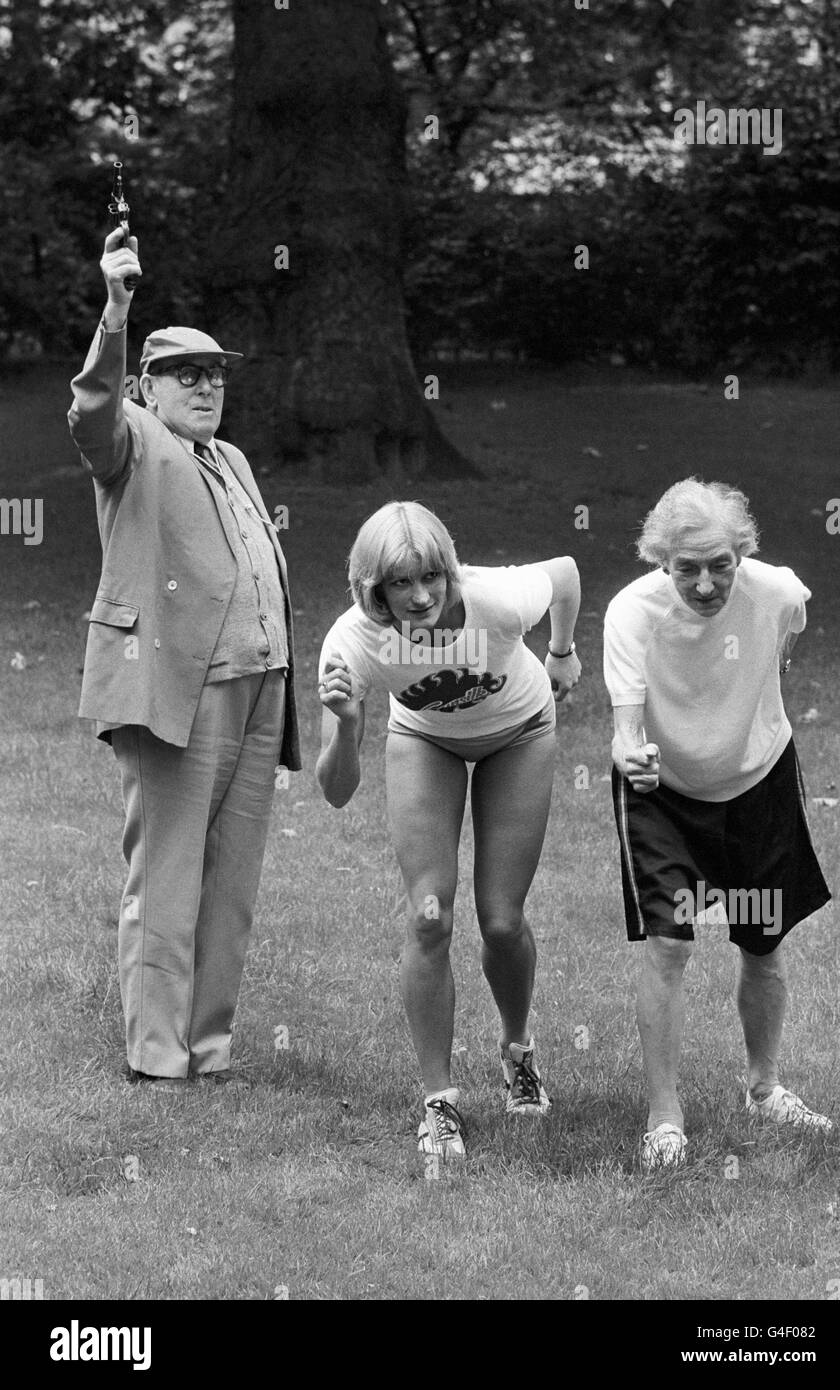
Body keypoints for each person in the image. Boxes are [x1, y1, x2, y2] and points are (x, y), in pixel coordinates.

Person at [68, 226, 301, 1091]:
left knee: (232, 881)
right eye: (187, 375)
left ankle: (211, 1046)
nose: (206, 388)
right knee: (164, 877)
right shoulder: (129, 440)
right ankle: (158, 1055)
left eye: (216, 376)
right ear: (148, 387)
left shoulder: (231, 456)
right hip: (176, 686)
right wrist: (117, 306)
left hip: (257, 685)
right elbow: (89, 411)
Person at [316, 501, 581, 1163]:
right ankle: (438, 1104)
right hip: (424, 739)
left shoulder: (495, 600)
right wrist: (349, 724)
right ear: (371, 588)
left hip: (519, 733)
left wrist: (563, 653)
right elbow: (335, 790)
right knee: (429, 917)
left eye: (431, 575)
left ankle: (517, 1049)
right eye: (400, 583)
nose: (421, 595)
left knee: (500, 919)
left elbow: (567, 572)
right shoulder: (350, 643)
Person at [604, 478, 832, 1172]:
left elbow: (787, 637)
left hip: (758, 781)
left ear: (742, 553)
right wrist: (630, 754)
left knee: (762, 941)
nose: (705, 584)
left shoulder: (778, 592)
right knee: (668, 947)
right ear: (660, 560)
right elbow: (623, 729)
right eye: (686, 569)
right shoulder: (631, 614)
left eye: (720, 566)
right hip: (663, 793)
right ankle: (664, 1117)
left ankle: (764, 1088)